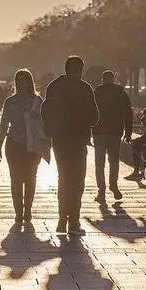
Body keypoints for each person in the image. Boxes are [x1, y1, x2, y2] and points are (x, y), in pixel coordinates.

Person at [42, 56, 99, 236]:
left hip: (59, 141)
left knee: (63, 178)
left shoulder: (53, 87)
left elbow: (45, 110)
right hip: (78, 141)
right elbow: (94, 118)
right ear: (81, 69)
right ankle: (73, 221)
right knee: (77, 181)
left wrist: (51, 130)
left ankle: (62, 219)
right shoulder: (84, 88)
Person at [0, 70, 44, 224]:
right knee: (15, 179)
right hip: (14, 144)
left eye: (23, 80)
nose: (20, 82)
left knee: (30, 179)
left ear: (29, 82)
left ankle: (28, 210)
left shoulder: (37, 101)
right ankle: (18, 212)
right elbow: (4, 125)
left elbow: (43, 124)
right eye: (17, 79)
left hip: (32, 146)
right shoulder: (10, 102)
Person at [92, 71, 133, 202]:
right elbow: (128, 113)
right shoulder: (121, 93)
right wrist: (128, 131)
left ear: (103, 80)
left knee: (99, 163)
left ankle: (101, 191)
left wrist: (88, 132)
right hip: (115, 132)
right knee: (114, 161)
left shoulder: (96, 93)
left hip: (99, 132)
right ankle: (114, 186)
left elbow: (90, 112)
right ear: (113, 79)